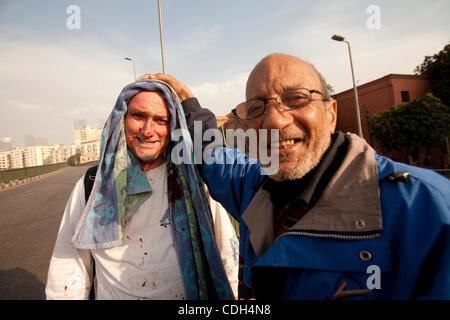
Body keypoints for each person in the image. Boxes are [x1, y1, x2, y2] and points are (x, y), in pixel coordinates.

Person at [142, 52, 450, 300]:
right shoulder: (255, 188)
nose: (275, 120)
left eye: (296, 98)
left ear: (330, 114)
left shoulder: (427, 211)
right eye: (257, 107)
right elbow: (214, 159)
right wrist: (189, 103)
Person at [45, 80, 238, 300]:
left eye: (160, 120)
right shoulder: (93, 185)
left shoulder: (196, 181)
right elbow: (69, 267)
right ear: (122, 119)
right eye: (138, 116)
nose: (147, 130)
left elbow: (226, 254)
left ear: (173, 125)